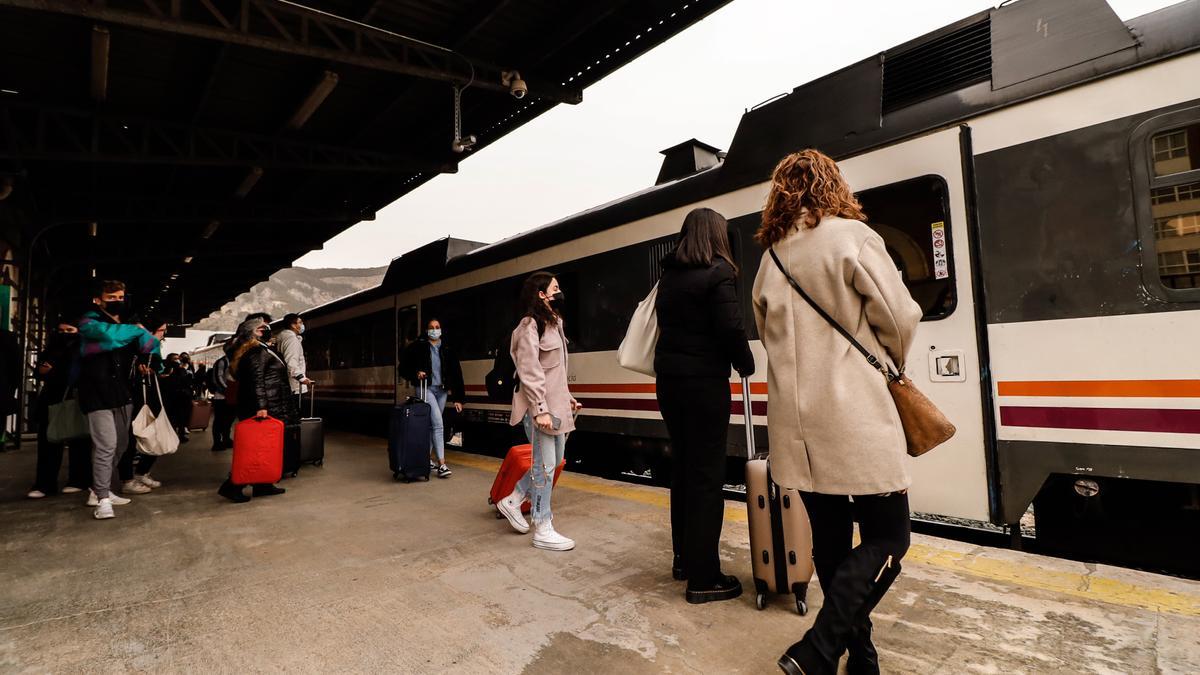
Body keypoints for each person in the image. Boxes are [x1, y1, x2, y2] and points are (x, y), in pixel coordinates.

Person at [752, 149, 922, 675]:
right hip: (857, 414)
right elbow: (899, 317)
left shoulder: (771, 259)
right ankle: (820, 648)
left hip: (797, 425)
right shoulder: (854, 237)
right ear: (833, 185)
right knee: (891, 536)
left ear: (781, 194)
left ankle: (860, 657)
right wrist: (888, 361)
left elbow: (767, 336)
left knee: (830, 540)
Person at [654, 207, 755, 604]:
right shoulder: (719, 272)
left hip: (670, 384)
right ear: (716, 236)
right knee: (707, 478)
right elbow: (730, 327)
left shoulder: (669, 276)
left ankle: (683, 559)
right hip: (704, 386)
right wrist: (745, 363)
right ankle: (704, 576)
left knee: (683, 471)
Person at [494, 272, 582, 551]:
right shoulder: (529, 326)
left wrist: (568, 398)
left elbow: (556, 372)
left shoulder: (555, 324)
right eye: (555, 288)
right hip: (541, 411)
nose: (560, 291)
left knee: (554, 464)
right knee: (544, 469)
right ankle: (543, 526)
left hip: (557, 408)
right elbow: (530, 370)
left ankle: (512, 500)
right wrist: (540, 410)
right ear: (542, 294)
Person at [76, 280, 162, 520]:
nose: (117, 301)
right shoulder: (88, 322)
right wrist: (137, 331)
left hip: (122, 392)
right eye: (111, 297)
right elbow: (107, 336)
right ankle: (103, 500)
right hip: (95, 393)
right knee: (106, 445)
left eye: (120, 296)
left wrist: (147, 353)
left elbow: (151, 345)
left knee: (121, 444)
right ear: (98, 299)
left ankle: (97, 489)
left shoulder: (124, 325)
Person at [217, 316, 294, 503]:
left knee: (266, 447)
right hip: (264, 406)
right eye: (261, 328)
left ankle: (263, 485)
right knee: (256, 448)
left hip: (272, 403)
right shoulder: (255, 352)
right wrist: (261, 407)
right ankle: (232, 486)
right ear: (251, 333)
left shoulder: (260, 349)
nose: (266, 330)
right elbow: (257, 380)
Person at [27, 322, 92, 499]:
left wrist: (52, 372)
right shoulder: (52, 349)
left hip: (76, 398)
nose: (64, 334)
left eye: (69, 330)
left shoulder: (84, 349)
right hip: (52, 400)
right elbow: (39, 372)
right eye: (61, 330)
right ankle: (45, 483)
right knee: (50, 440)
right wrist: (44, 371)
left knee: (79, 440)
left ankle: (79, 480)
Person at [400, 318, 465, 478]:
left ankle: (426, 459)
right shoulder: (418, 347)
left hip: (441, 391)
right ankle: (442, 464)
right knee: (438, 423)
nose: (434, 330)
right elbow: (403, 367)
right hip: (425, 389)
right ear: (427, 330)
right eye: (431, 328)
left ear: (441, 330)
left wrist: (458, 397)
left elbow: (457, 373)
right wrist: (416, 373)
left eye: (437, 327)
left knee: (430, 425)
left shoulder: (447, 348)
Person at [276, 313, 312, 397]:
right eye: (300, 322)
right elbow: (291, 360)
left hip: (288, 384)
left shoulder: (284, 337)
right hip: (295, 386)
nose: (302, 325)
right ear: (293, 325)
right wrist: (301, 378)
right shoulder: (291, 339)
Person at [208, 347, 234, 452]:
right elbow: (217, 378)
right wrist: (227, 391)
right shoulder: (222, 362)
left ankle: (226, 439)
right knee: (219, 420)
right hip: (221, 397)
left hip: (231, 396)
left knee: (229, 420)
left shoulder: (234, 361)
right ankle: (217, 442)